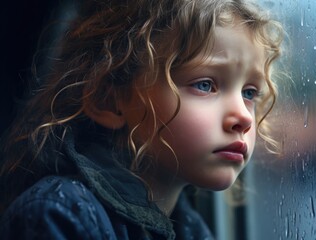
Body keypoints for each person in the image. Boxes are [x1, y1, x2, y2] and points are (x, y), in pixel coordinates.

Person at [0, 0, 283, 239]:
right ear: (109, 102)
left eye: (249, 93)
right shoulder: (59, 216)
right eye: (205, 85)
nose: (244, 117)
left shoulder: (193, 228)